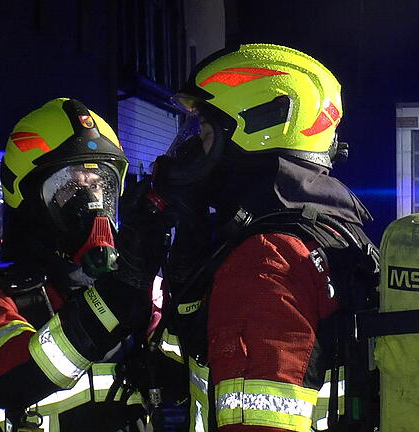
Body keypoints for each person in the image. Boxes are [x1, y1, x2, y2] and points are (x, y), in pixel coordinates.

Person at [146, 44, 379, 432]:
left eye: (203, 131)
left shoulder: (266, 261)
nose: (190, 151)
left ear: (255, 132)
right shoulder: (331, 231)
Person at [0, 98, 162, 432]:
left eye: (98, 186)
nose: (92, 204)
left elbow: (182, 380)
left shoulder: (143, 288)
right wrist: (111, 303)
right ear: (29, 199)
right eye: (70, 188)